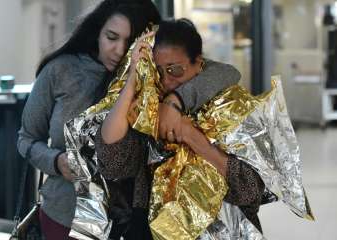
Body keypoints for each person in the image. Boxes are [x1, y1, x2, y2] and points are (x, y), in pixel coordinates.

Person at [95, 18, 265, 236]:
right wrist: (132, 80)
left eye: (175, 70)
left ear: (199, 63)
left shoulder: (230, 107)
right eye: (159, 72)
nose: (166, 81)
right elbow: (112, 162)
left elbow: (251, 190)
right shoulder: (149, 108)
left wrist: (191, 135)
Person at [17, 1, 161, 239]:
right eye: (111, 37)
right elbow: (26, 138)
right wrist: (56, 161)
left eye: (130, 42)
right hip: (65, 214)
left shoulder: (152, 78)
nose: (118, 50)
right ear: (97, 30)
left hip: (130, 221)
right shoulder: (60, 71)